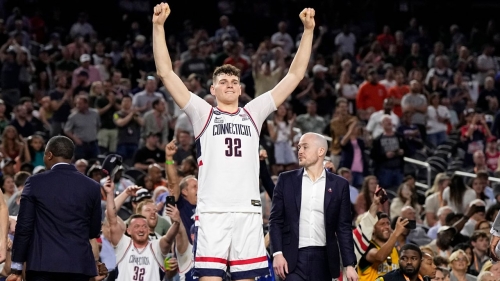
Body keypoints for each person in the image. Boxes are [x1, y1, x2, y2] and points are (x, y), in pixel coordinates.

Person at [152, 3, 315, 281]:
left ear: (240, 88)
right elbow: (166, 73)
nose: (229, 84)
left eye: (234, 81)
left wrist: (308, 31)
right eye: (223, 81)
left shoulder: (254, 113)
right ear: (213, 89)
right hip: (213, 210)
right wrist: (158, 27)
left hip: (247, 210)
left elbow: (294, 76)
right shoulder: (203, 112)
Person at [9, 136, 102, 281]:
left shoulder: (35, 182)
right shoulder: (93, 186)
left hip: (43, 266)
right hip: (79, 266)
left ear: (49, 154)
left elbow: (24, 227)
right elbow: (94, 230)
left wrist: (16, 267)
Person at [269, 133, 358, 281]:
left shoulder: (339, 185)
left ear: (321, 151)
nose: (300, 151)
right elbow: (275, 220)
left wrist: (349, 264)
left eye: (305, 147)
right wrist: (277, 253)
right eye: (299, 147)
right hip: (292, 260)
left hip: (324, 261)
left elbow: (343, 227)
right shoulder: (285, 180)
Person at [103, 178, 180, 281]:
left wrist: (177, 222)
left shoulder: (159, 243)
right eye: (148, 210)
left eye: (155, 210)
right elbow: (110, 214)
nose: (153, 213)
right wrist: (125, 193)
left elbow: (169, 239)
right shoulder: (124, 239)